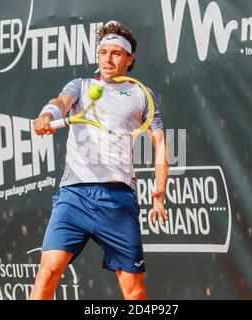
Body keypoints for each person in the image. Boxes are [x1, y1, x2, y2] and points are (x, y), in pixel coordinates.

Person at [29, 21, 169, 300]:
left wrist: (159, 194)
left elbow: (161, 144)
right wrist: (47, 114)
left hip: (117, 200)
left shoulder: (142, 94)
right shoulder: (81, 86)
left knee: (135, 292)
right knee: (48, 272)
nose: (107, 59)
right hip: (74, 196)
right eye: (103, 52)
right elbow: (61, 102)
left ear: (130, 59)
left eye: (116, 53)